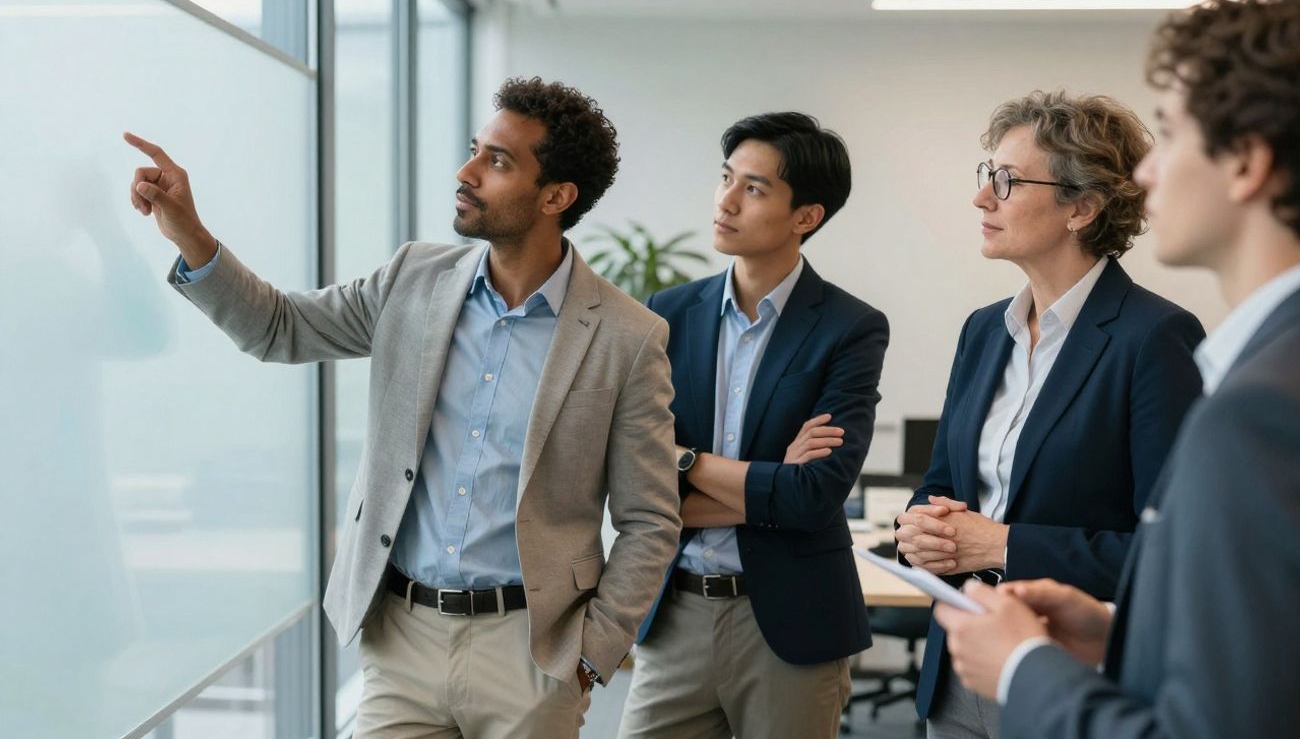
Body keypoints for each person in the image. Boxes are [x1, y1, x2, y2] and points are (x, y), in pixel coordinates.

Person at [124, 77, 683, 738]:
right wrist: (189, 233)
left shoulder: (627, 334)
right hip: (401, 641)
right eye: (477, 150)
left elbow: (650, 519)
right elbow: (278, 327)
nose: (466, 172)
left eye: (497, 162)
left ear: (557, 197)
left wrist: (591, 654)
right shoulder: (412, 280)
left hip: (532, 650)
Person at [934, 0, 1300, 739]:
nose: (1144, 174)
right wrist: (1118, 633)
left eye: (1169, 134)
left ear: (1247, 164)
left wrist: (1022, 669)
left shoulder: (1269, 409)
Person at [895, 91, 1204, 737]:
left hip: (1071, 681)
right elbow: (944, 486)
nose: (983, 199)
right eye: (987, 177)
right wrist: (924, 529)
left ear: (1082, 208)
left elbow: (1169, 554)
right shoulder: (984, 332)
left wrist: (1002, 544)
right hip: (957, 669)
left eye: (1005, 181)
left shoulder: (1154, 338)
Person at [617, 112, 890, 738]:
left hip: (792, 624)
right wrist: (770, 485)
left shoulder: (850, 327)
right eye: (725, 178)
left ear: (806, 217)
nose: (726, 201)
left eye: (755, 188)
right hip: (677, 612)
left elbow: (815, 495)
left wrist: (684, 462)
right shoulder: (666, 314)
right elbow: (635, 491)